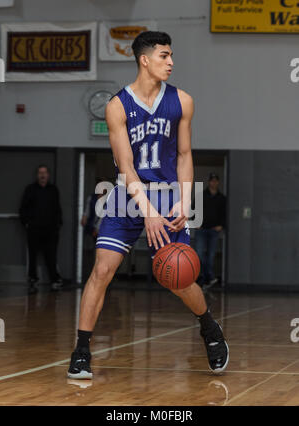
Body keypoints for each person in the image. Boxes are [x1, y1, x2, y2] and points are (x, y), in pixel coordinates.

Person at [67, 31, 229, 379]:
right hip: (128, 194)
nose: (171, 62)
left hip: (169, 194)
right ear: (145, 59)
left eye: (171, 56)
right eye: (164, 56)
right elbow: (125, 167)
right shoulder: (117, 106)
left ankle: (209, 328)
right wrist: (148, 212)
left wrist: (185, 200)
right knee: (102, 271)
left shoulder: (182, 101)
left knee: (179, 277)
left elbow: (185, 154)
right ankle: (81, 351)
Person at [19, 165, 63, 294]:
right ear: (37, 175)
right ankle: (33, 279)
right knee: (32, 256)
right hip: (34, 229)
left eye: (44, 173)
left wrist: (58, 224)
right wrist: (26, 223)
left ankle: (54, 280)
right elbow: (23, 208)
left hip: (50, 230)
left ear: (48, 175)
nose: (42, 175)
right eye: (40, 173)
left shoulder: (53, 190)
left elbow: (57, 209)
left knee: (51, 256)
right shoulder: (30, 189)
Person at [195, 173, 226, 289]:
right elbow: (193, 209)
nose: (213, 183)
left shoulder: (222, 198)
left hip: (214, 231)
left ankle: (206, 279)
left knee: (211, 256)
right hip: (201, 230)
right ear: (209, 182)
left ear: (218, 182)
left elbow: (224, 214)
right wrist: (195, 223)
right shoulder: (201, 195)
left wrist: (221, 225)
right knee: (199, 254)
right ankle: (204, 277)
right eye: (211, 181)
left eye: (215, 181)